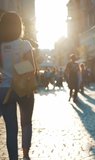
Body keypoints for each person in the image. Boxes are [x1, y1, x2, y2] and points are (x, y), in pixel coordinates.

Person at [0, 11, 36, 160]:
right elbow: (31, 68)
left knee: (11, 128)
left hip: (4, 90)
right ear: (19, 26)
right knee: (26, 122)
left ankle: (13, 158)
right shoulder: (25, 44)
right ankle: (26, 155)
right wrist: (19, 70)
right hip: (24, 88)